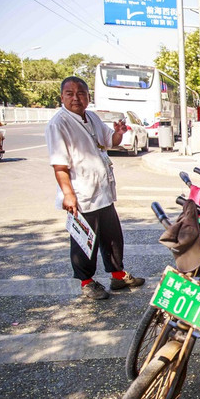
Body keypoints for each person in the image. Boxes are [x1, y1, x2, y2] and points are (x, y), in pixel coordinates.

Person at [46, 76, 145, 300]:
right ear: (62, 97)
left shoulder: (91, 117)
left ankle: (118, 275)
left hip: (102, 191)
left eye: (80, 93)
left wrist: (119, 132)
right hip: (80, 194)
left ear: (88, 97)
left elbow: (111, 141)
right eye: (69, 94)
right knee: (84, 240)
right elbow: (60, 165)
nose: (75, 98)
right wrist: (68, 195)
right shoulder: (58, 123)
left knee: (112, 237)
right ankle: (87, 282)